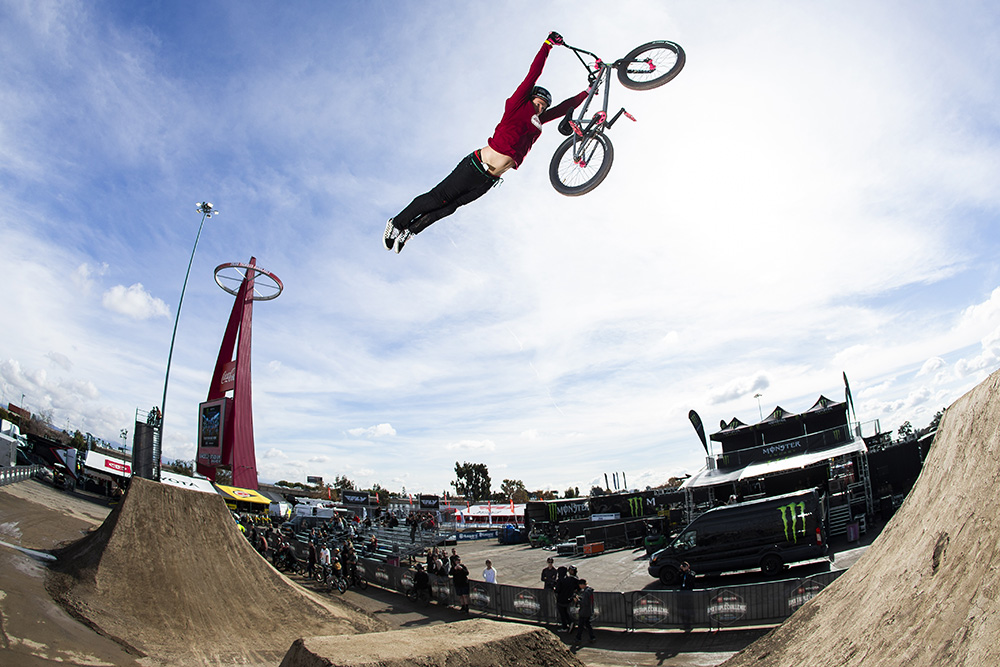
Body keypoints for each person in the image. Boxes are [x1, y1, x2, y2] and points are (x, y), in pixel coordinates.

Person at [383, 31, 589, 253]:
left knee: (450, 208)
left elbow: (564, 107)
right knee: (439, 197)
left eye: (543, 107)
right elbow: (533, 74)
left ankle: (410, 231)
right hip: (476, 165)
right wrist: (547, 45)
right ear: (530, 98)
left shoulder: (538, 120)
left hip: (489, 179)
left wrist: (588, 91)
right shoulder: (517, 105)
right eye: (538, 103)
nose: (540, 109)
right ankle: (396, 223)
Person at [575, 578, 596, 643]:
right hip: (588, 611)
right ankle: (592, 637)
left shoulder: (586, 592)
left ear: (582, 585)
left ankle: (578, 638)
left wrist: (577, 600)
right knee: (587, 624)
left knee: (581, 625)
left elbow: (585, 602)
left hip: (584, 611)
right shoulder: (588, 591)